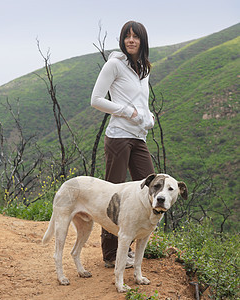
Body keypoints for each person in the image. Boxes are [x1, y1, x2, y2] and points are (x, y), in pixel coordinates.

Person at [91, 20, 155, 268]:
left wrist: (148, 116)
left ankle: (130, 243)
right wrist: (128, 113)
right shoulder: (114, 64)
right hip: (118, 136)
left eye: (135, 37)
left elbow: (141, 101)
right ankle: (110, 254)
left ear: (142, 41)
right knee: (114, 193)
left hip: (139, 137)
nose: (131, 40)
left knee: (149, 185)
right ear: (122, 40)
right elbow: (96, 99)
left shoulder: (144, 68)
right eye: (127, 36)